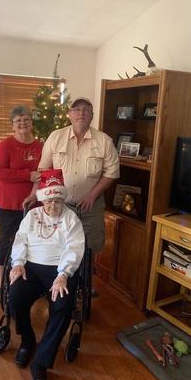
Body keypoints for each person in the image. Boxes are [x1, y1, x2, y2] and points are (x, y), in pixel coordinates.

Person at [24, 97, 119, 285]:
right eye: (76, 109)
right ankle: (62, 283)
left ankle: (85, 285)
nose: (81, 113)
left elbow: (112, 172)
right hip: (60, 206)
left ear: (92, 115)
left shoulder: (104, 141)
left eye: (86, 109)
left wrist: (93, 194)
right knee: (60, 245)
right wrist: (33, 194)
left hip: (90, 207)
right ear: (69, 114)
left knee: (89, 246)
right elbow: (44, 170)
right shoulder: (55, 137)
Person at [8, 169, 85, 380]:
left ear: (63, 199)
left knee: (62, 304)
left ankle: (40, 365)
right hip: (31, 267)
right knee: (16, 295)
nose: (53, 204)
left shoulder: (71, 219)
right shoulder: (32, 216)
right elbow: (20, 240)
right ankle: (28, 340)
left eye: (57, 200)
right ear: (42, 198)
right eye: (49, 200)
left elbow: (74, 248)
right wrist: (18, 263)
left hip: (60, 270)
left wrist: (63, 274)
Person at [0, 106, 43, 303]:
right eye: (18, 120)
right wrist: (28, 175)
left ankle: (30, 280)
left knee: (34, 241)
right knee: (6, 240)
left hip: (34, 203)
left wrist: (35, 190)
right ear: (12, 124)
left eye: (26, 120)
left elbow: (44, 171)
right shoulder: (6, 145)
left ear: (32, 123)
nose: (23, 124)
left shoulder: (40, 146)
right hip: (8, 203)